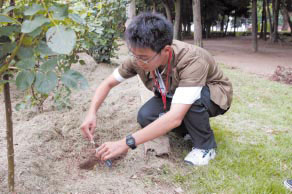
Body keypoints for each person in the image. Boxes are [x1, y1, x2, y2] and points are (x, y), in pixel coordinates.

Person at [80, 12, 233, 166]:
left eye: (144, 58)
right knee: (145, 116)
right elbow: (108, 83)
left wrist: (125, 143)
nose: (138, 61)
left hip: (214, 94)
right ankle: (188, 131)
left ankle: (205, 147)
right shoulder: (138, 58)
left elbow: (174, 117)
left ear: (166, 51)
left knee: (192, 101)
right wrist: (91, 113)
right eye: (134, 54)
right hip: (176, 92)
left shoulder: (191, 60)